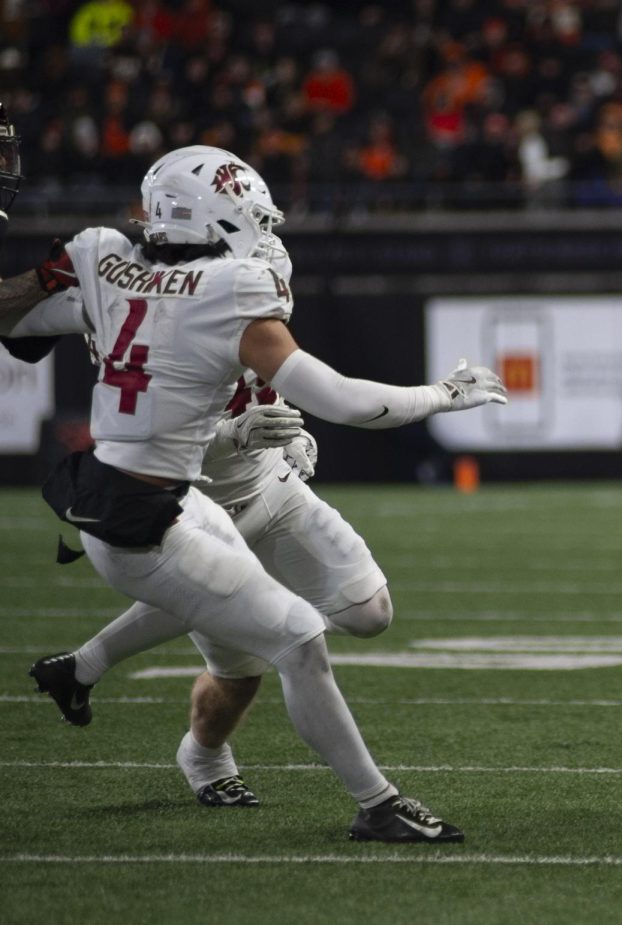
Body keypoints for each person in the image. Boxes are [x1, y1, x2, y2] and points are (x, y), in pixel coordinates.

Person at [0, 144, 507, 842]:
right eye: (249, 216)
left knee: (259, 591)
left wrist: (31, 270)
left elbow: (14, 317)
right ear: (209, 215)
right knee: (298, 636)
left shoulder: (103, 260)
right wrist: (443, 395)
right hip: (145, 516)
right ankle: (377, 802)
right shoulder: (227, 290)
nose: (262, 233)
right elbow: (344, 400)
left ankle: (82, 668)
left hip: (150, 493)